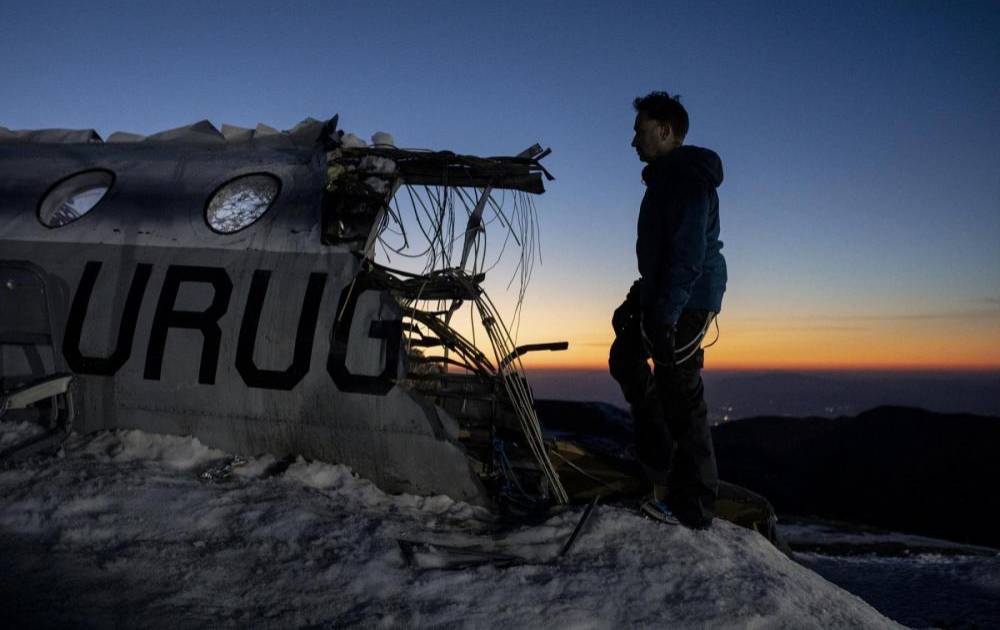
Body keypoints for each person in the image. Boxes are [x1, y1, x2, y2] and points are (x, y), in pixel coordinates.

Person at [609, 91, 727, 528]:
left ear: (664, 131)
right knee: (626, 357)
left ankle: (693, 507)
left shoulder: (687, 182)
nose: (632, 141)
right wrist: (637, 299)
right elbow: (663, 255)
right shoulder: (665, 180)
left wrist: (664, 317)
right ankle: (658, 459)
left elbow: (688, 259)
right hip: (666, 294)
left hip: (688, 300)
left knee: (679, 388)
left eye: (639, 131)